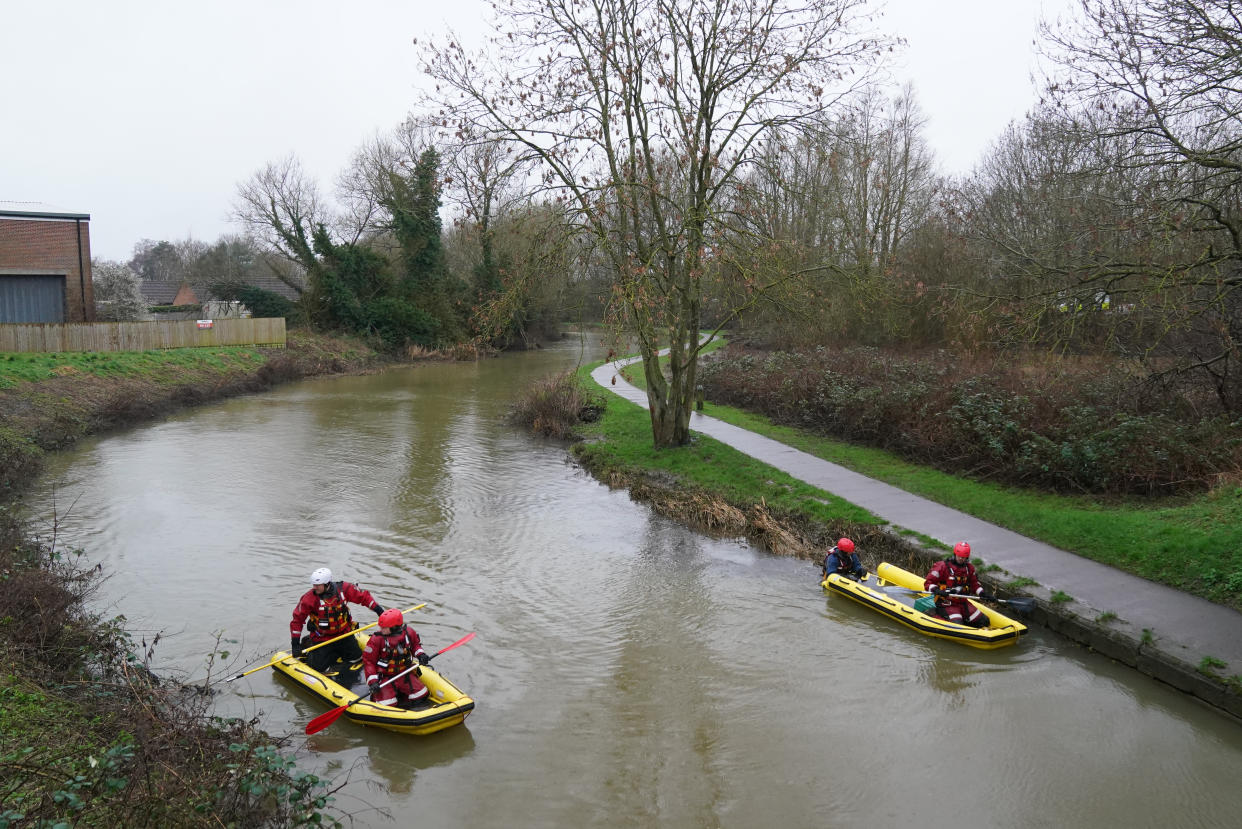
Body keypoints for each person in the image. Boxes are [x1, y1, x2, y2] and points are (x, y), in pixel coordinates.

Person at [290, 567, 385, 674]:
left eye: (317, 585)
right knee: (317, 667)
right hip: (322, 638)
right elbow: (297, 621)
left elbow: (364, 597)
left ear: (327, 584)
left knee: (356, 657)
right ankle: (310, 645)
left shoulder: (343, 589)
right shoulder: (309, 599)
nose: (314, 587)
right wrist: (295, 644)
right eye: (313, 585)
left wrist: (380, 612)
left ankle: (335, 654)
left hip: (343, 634)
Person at [362, 608, 431, 708]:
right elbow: (369, 662)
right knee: (387, 704)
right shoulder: (376, 639)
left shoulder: (409, 633)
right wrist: (373, 682)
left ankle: (406, 703)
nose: (381, 629)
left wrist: (421, 655)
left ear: (395, 627)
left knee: (422, 695)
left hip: (404, 673)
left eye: (384, 627)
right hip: (385, 677)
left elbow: (416, 645)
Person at [924, 541, 987, 627]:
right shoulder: (942, 567)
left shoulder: (969, 569)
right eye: (959, 556)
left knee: (984, 621)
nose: (961, 559)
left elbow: (974, 584)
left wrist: (983, 593)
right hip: (946, 603)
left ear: (967, 557)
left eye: (964, 557)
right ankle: (934, 613)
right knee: (957, 626)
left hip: (963, 602)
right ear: (955, 554)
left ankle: (964, 621)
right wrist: (937, 590)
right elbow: (928, 583)